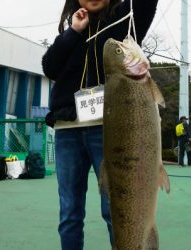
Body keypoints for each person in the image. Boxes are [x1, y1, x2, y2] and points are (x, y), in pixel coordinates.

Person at [42, 0, 159, 249]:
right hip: (67, 130)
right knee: (70, 214)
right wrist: (73, 31)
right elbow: (49, 67)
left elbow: (147, 6)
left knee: (115, 208)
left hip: (110, 131)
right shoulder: (70, 29)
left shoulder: (123, 20)